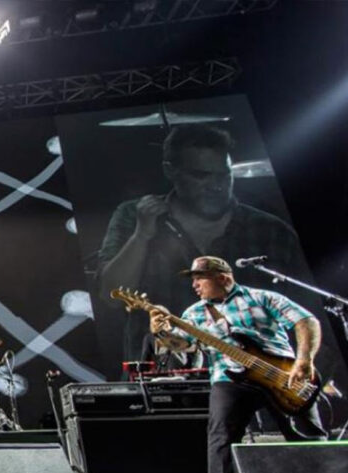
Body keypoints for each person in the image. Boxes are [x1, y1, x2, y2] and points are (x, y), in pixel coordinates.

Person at [97, 124, 304, 364]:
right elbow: (110, 295)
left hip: (257, 382)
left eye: (223, 175)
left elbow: (307, 314)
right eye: (201, 175)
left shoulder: (271, 231)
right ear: (171, 171)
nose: (216, 186)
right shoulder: (133, 216)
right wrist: (141, 236)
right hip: (164, 377)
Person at [149, 256, 326, 473]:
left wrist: (304, 360)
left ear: (223, 277)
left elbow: (305, 321)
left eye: (200, 278)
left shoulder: (262, 297)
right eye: (193, 280)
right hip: (229, 376)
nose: (195, 285)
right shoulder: (193, 313)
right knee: (221, 433)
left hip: (283, 374)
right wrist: (162, 333)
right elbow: (184, 346)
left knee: (306, 432)